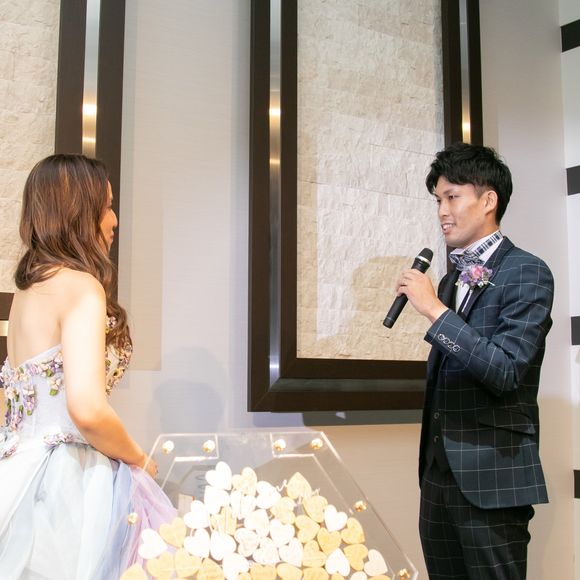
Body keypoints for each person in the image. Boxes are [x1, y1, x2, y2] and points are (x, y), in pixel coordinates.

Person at [0, 154, 175, 579]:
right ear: (80, 211)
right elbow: (87, 409)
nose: (115, 221)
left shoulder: (27, 292)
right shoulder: (81, 287)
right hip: (67, 481)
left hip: (18, 473)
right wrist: (140, 460)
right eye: (108, 206)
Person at [396, 142, 553, 579]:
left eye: (452, 197)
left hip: (493, 479)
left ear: (488, 200)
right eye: (437, 200)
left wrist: (434, 309)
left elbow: (505, 370)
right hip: (438, 477)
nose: (442, 212)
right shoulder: (452, 279)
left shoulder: (528, 271)